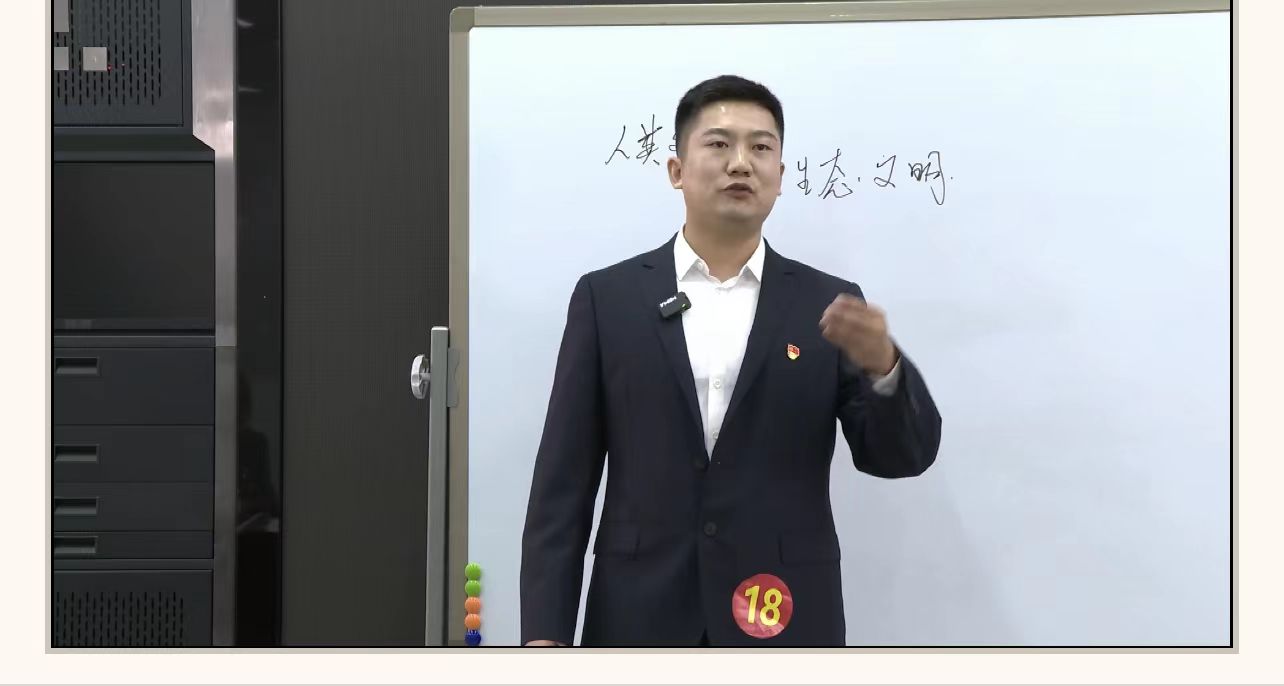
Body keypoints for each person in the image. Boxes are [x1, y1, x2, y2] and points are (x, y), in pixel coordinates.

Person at [520, 75, 942, 647]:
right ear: (676, 170)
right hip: (638, 619)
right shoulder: (608, 298)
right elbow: (563, 481)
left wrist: (883, 369)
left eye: (760, 147)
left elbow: (899, 457)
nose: (741, 163)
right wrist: (544, 634)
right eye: (719, 144)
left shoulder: (826, 304)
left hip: (784, 617)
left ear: (781, 176)